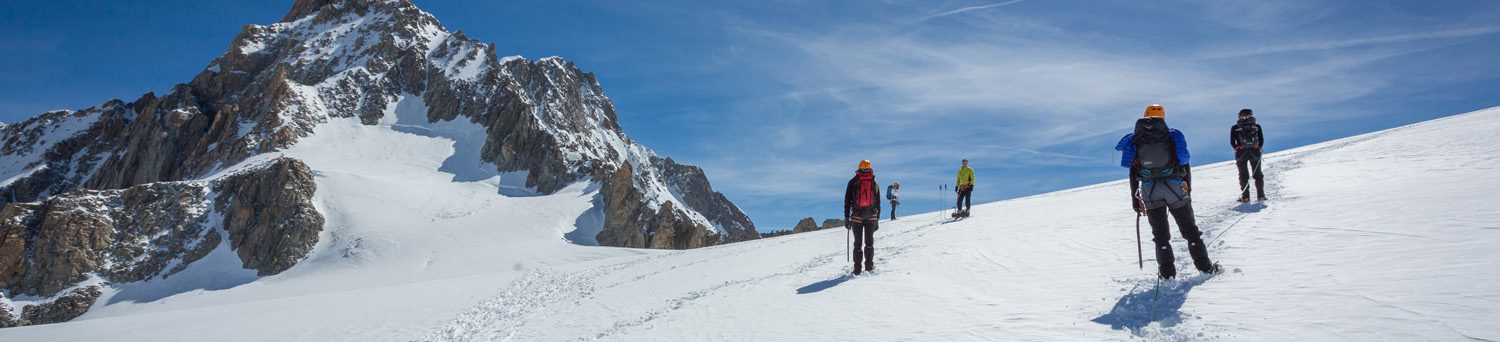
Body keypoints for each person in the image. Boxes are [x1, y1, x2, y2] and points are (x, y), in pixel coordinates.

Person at [1116, 104, 1219, 279]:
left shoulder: (1136, 139)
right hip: (1174, 187)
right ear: (1163, 117)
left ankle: (1167, 275)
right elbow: (1184, 162)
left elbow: (1133, 172)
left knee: (1160, 236)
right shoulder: (1172, 136)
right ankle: (1205, 268)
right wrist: (1188, 189)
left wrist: (1135, 199)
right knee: (1190, 231)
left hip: (1149, 190)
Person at [844, 160, 881, 275]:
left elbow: (847, 201)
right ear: (870, 168)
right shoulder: (874, 183)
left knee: (858, 244)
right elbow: (878, 203)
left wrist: (846, 217)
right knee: (869, 243)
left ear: (859, 168)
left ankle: (857, 270)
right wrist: (877, 219)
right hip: (871, 216)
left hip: (856, 217)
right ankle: (869, 267)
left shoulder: (853, 182)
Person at [1230, 108, 1266, 202]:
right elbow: (1261, 140)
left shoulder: (1235, 127)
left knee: (1243, 175)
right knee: (1258, 174)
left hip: (1241, 154)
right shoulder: (1257, 126)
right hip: (1255, 153)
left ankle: (1245, 197)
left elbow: (1232, 141)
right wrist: (1258, 147)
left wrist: (1237, 148)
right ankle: (1261, 196)